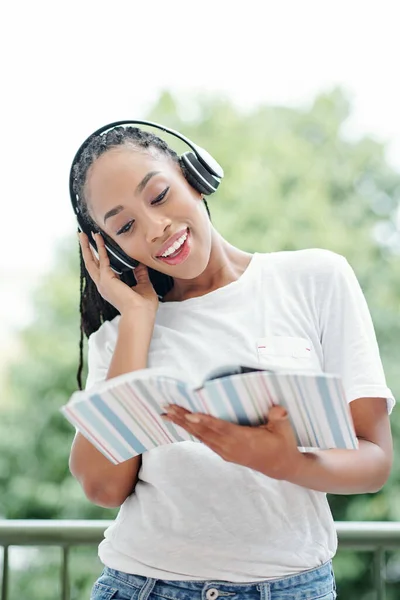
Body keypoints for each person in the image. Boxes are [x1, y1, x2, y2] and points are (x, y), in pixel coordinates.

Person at [68, 122, 394, 600]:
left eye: (158, 196)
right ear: (108, 246)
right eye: (125, 226)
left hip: (293, 588)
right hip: (144, 585)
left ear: (194, 176)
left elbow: (375, 461)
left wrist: (288, 463)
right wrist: (138, 318)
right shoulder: (120, 339)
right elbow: (102, 488)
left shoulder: (316, 278)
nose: (156, 227)